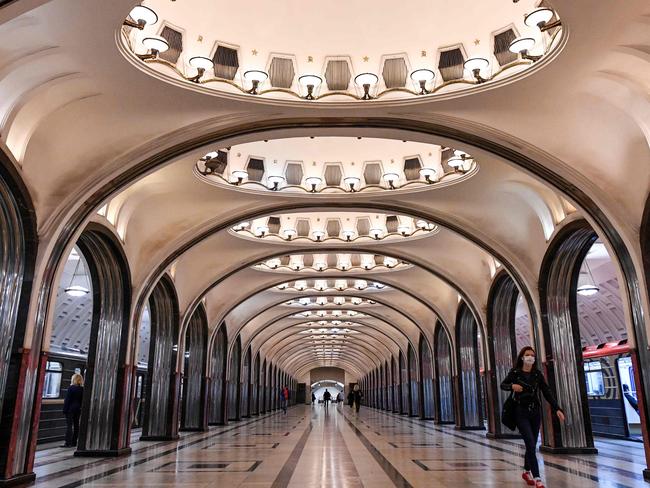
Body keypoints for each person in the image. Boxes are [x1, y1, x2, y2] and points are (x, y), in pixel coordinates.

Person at [501, 347, 565, 488]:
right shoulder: (515, 373)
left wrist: (557, 409)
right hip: (520, 412)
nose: (530, 357)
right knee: (530, 443)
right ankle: (537, 478)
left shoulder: (537, 374)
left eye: (532, 355)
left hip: (535, 413)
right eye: (527, 355)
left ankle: (526, 471)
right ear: (522, 357)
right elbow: (503, 385)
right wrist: (512, 386)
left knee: (532, 444)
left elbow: (546, 392)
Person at [62, 373, 84, 448]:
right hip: (78, 409)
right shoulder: (82, 389)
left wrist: (65, 409)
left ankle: (68, 443)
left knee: (69, 426)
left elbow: (67, 400)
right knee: (76, 425)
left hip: (70, 409)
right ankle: (74, 442)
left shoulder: (71, 388)